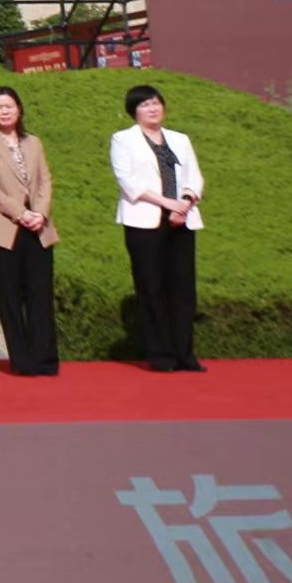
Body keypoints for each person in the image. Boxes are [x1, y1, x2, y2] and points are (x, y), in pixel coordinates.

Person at [110, 85, 205, 373]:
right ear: (134, 111)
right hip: (145, 221)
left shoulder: (180, 139)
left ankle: (184, 354)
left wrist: (184, 204)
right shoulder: (123, 139)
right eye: (145, 105)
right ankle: (160, 355)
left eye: (156, 103)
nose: (152, 109)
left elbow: (194, 177)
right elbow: (127, 182)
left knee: (183, 288)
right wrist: (167, 204)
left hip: (182, 220)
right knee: (151, 287)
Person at [0, 87, 59, 376]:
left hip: (39, 227)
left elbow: (45, 180)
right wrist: (21, 214)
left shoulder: (34, 143)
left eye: (9, 106)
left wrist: (40, 214)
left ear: (19, 109)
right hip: (5, 229)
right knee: (10, 296)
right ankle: (22, 361)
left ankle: (45, 359)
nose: (5, 111)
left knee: (40, 294)